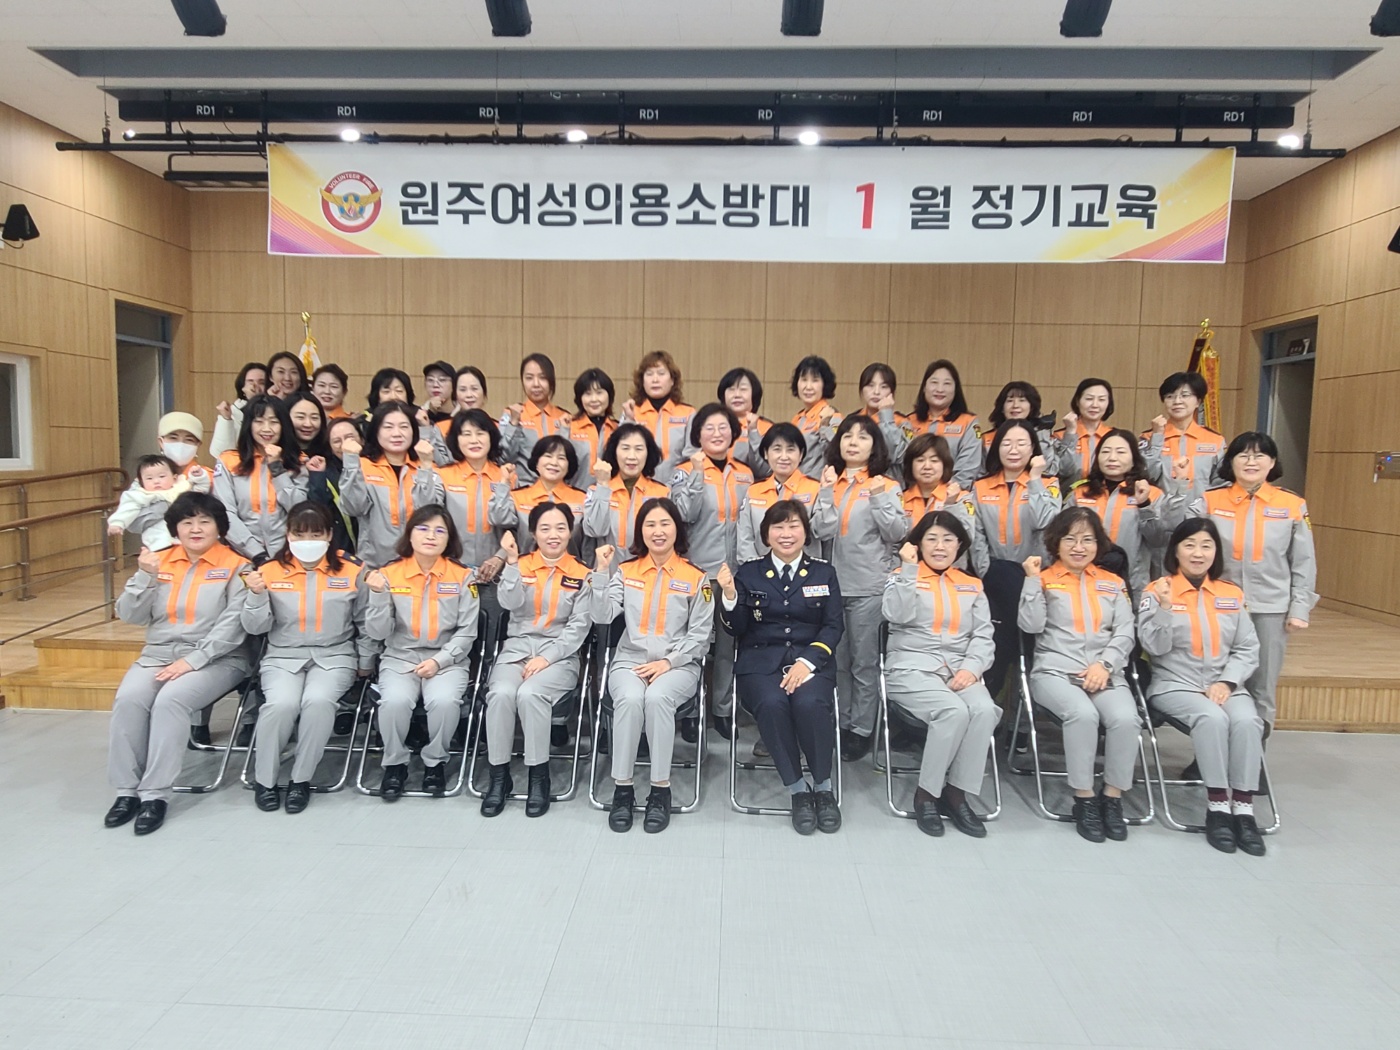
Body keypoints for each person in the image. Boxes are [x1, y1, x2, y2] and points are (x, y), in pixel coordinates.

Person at [103, 492, 253, 836]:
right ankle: (126, 791)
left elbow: (232, 627)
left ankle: (155, 794)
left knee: (171, 701)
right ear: (175, 528)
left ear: (219, 527)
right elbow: (129, 615)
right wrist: (145, 577)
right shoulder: (158, 561)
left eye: (204, 521)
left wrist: (192, 660)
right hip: (158, 654)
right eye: (187, 522)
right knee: (129, 700)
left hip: (218, 658)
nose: (195, 529)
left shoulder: (238, 567)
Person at [1138, 518, 1266, 856]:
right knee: (1212, 718)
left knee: (1247, 721)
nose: (1198, 553)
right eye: (1190, 545)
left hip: (1225, 685)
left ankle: (1244, 809)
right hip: (1174, 685)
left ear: (1216, 552)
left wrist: (1227, 681)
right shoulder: (1157, 590)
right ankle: (1218, 806)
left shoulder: (1230, 594)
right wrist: (1165, 608)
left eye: (1206, 546)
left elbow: (1247, 647)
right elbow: (1153, 647)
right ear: (1176, 551)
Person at [717, 500, 844, 835]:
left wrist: (807, 662)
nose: (786, 534)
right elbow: (736, 628)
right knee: (772, 703)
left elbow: (833, 626)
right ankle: (798, 790)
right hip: (760, 664)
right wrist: (729, 596)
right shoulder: (749, 573)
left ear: (805, 532)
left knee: (810, 703)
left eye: (793, 526)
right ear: (766, 535)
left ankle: (824, 787)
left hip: (811, 662)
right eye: (778, 527)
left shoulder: (824, 573)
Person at [240, 502, 375, 813]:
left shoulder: (352, 569)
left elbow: (366, 621)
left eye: (316, 534)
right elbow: (255, 627)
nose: (307, 541)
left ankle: (300, 779)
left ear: (329, 535)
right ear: (287, 535)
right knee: (280, 705)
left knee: (318, 703)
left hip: (335, 655)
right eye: (299, 535)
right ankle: (265, 780)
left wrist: (366, 661)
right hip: (283, 656)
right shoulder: (269, 571)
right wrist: (256, 596)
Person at [590, 498, 713, 834]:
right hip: (630, 661)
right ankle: (623, 788)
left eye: (665, 524)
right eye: (650, 525)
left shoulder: (696, 578)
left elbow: (701, 636)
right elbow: (602, 615)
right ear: (640, 531)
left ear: (677, 529)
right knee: (630, 700)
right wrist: (601, 573)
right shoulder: (626, 571)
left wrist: (668, 662)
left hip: (679, 665)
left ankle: (660, 789)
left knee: (658, 699)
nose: (658, 531)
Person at [1018, 507, 1140, 844]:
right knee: (1082, 714)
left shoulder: (1113, 583)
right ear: (1056, 543)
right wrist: (1031, 582)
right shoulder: (1044, 579)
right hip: (1054, 672)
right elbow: (1030, 625)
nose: (1078, 547)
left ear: (1098, 545)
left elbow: (1125, 632)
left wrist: (1105, 665)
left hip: (1104, 673)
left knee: (1126, 719)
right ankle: (1084, 799)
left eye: (1087, 540)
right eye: (1070, 539)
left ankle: (1112, 798)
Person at [1188, 432, 1316, 732]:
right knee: (1215, 678)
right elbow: (1185, 542)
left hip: (1270, 607)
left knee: (1262, 682)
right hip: (1218, 605)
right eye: (1243, 455)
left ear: (1272, 463)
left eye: (1259, 455)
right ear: (1230, 461)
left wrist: (1300, 608)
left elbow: (1303, 561)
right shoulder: (1210, 500)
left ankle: (1254, 749)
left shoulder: (1291, 504)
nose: (1251, 461)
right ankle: (1212, 746)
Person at [882, 511, 998, 838]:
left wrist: (972, 668)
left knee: (985, 710)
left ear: (959, 545)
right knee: (952, 711)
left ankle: (956, 794)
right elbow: (895, 614)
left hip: (960, 669)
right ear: (918, 544)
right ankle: (927, 795)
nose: (940, 546)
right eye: (931, 539)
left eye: (948, 539)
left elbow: (983, 635)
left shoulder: (971, 584)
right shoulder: (901, 575)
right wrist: (908, 569)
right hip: (911, 668)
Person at [480, 504, 598, 818]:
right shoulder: (520, 564)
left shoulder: (582, 573)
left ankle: (538, 777)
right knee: (501, 694)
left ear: (570, 532)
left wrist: (547, 657)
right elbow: (509, 602)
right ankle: (499, 777)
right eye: (545, 528)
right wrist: (511, 563)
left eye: (561, 527)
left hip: (560, 657)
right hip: (517, 650)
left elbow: (578, 628)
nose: (553, 535)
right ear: (533, 532)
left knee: (531, 694)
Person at [363, 505, 479, 801]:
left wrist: (439, 661)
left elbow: (467, 632)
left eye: (440, 531)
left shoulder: (464, 577)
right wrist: (377, 596)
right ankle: (395, 764)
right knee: (394, 702)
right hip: (400, 658)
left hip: (448, 660)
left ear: (449, 538)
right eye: (423, 529)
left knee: (444, 701)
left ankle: (434, 763)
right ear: (410, 534)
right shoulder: (389, 574)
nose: (431, 536)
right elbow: (377, 632)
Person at [811, 414, 906, 761]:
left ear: (874, 446)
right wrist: (825, 491)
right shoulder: (828, 481)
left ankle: (862, 730)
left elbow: (897, 532)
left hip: (868, 586)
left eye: (863, 437)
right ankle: (843, 722)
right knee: (837, 661)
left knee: (864, 664)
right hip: (831, 586)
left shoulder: (887, 485)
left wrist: (878, 497)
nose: (853, 442)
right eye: (847, 435)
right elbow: (820, 530)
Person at [670, 404, 755, 737]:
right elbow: (683, 514)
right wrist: (695, 475)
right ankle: (690, 710)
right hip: (700, 575)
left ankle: (722, 709)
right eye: (709, 428)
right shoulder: (683, 471)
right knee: (696, 642)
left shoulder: (745, 474)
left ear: (733, 433)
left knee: (728, 645)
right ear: (698, 435)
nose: (717, 434)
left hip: (734, 575)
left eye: (723, 427)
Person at [968, 420, 1060, 700]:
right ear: (997, 448)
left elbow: (1046, 521)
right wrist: (985, 570)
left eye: (1022, 443)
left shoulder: (1048, 484)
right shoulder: (980, 487)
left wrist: (1035, 479)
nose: (1014, 449)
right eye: (1007, 443)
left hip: (1035, 578)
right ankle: (995, 705)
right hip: (994, 577)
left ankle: (1018, 706)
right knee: (1002, 642)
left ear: (1033, 448)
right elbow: (976, 533)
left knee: (1020, 641)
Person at [337, 401, 445, 568]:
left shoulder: (428, 467)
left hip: (419, 565)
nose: (397, 433)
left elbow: (429, 514)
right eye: (388, 427)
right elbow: (353, 508)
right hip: (374, 566)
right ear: (376, 431)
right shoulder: (362, 466)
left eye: (404, 427)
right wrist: (351, 463)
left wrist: (425, 468)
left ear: (413, 431)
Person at [1068, 429, 1172, 597]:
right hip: (1082, 581)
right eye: (1106, 452)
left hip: (1131, 583)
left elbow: (1158, 539)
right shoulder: (1080, 493)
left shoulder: (1151, 493)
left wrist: (1144, 505)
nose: (1112, 457)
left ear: (1134, 459)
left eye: (1121, 452)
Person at [212, 394, 310, 565]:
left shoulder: (299, 461)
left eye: (274, 422)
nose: (267, 428)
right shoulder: (229, 461)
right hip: (240, 556)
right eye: (259, 421)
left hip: (288, 557)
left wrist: (277, 468)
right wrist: (256, 554)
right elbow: (225, 513)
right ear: (249, 425)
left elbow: (299, 509)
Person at [736, 423, 831, 563]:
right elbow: (745, 538)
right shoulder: (754, 491)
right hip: (761, 572)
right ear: (766, 453)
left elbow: (824, 531)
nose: (784, 456)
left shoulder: (815, 488)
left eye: (790, 450)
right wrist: (755, 570)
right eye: (777, 449)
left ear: (801, 454)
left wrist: (827, 493)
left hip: (806, 571)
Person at [581, 422, 669, 554]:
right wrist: (603, 486)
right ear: (614, 451)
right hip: (608, 565)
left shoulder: (662, 493)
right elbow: (596, 530)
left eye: (639, 449)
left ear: (648, 453)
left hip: (647, 566)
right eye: (625, 448)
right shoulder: (596, 491)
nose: (631, 456)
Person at [492, 435, 587, 555]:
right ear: (536, 462)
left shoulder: (582, 499)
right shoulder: (518, 497)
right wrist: (504, 482)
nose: (554, 462)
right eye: (548, 456)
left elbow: (588, 543)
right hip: (525, 565)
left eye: (561, 458)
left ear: (569, 466)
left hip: (570, 566)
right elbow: (498, 519)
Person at [1140, 372, 1224, 501]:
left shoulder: (1215, 440)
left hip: (1200, 511)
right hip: (1159, 511)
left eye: (1185, 395)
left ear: (1198, 401)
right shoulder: (1148, 437)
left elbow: (1220, 484)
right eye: (1170, 396)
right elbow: (1146, 476)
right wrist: (1157, 438)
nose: (1177, 401)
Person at [620, 350, 694, 483]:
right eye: (649, 374)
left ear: (672, 380)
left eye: (661, 373)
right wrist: (629, 420)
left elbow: (692, 455)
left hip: (678, 487)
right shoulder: (632, 411)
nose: (655, 380)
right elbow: (621, 450)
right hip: (640, 487)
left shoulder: (688, 413)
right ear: (642, 381)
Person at [500, 353, 571, 483]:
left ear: (551, 381)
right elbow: (502, 458)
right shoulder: (512, 414)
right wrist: (513, 424)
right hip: (524, 489)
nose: (536, 384)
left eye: (542, 378)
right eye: (529, 378)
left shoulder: (563, 417)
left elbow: (570, 460)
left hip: (557, 489)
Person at [910, 360, 981, 487]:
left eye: (947, 383)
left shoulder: (968, 422)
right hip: (912, 495)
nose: (940, 389)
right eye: (934, 382)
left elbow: (968, 469)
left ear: (955, 389)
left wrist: (946, 494)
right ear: (924, 387)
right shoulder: (908, 422)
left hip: (952, 495)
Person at [107, 454, 193, 552]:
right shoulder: (141, 495)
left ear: (174, 477)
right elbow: (127, 508)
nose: (156, 481)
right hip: (158, 539)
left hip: (184, 534)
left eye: (162, 476)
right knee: (159, 536)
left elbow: (199, 494)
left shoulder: (181, 487)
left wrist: (199, 477)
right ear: (141, 482)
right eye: (149, 478)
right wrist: (117, 523)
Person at [307, 416, 363, 557]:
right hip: (346, 549)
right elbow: (319, 508)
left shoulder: (376, 465)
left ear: (362, 439)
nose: (344, 445)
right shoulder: (326, 471)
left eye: (349, 438)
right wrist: (318, 476)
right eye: (336, 441)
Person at [984, 380, 1059, 474]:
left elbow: (1049, 471)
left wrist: (1041, 434)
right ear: (1002, 408)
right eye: (1010, 401)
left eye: (1022, 400)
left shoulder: (1043, 436)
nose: (1015, 405)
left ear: (1031, 407)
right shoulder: (986, 439)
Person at [852, 362, 912, 479]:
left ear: (892, 392)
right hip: (857, 483)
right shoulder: (853, 420)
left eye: (884, 387)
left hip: (890, 483)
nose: (876, 392)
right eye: (870, 385)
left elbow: (895, 455)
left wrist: (886, 416)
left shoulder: (902, 422)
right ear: (862, 389)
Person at [1051, 377, 1116, 484]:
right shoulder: (1059, 436)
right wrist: (1070, 433)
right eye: (1089, 399)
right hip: (1068, 493)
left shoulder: (1114, 437)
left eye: (1101, 400)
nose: (1095, 405)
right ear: (1077, 401)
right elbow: (1062, 471)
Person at [789, 354, 842, 478]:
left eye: (815, 380)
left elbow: (835, 455)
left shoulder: (832, 415)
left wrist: (825, 425)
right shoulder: (798, 418)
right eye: (804, 380)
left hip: (817, 484)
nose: (808, 387)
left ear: (825, 384)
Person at [565, 367, 617, 490]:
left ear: (609, 396)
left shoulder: (617, 429)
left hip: (610, 496)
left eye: (599, 393)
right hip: (574, 496)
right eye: (588, 394)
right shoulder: (569, 427)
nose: (594, 399)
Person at [900, 432, 963, 529]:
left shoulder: (961, 498)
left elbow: (967, 534)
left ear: (945, 465)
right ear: (910, 465)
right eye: (920, 460)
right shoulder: (900, 498)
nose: (927, 466)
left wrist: (950, 505)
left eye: (934, 460)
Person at [719, 367, 772, 477]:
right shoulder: (713, 425)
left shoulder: (767, 428)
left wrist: (753, 432)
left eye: (743, 389)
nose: (737, 395)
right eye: (731, 389)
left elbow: (765, 470)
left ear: (754, 394)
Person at [211, 362, 268, 456]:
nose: (255, 386)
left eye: (261, 382)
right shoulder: (233, 412)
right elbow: (219, 452)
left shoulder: (276, 410)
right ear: (242, 387)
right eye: (250, 382)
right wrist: (226, 419)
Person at [285, 391, 332, 465]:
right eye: (300, 417)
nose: (308, 424)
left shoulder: (331, 452)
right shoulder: (277, 455)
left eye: (314, 418)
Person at [421, 360, 457, 424]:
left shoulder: (463, 413)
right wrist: (431, 413)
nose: (435, 385)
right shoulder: (419, 415)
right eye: (430, 380)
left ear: (454, 385)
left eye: (442, 380)